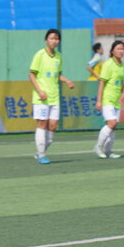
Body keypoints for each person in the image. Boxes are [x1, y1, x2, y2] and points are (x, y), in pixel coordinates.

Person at [29, 28, 76, 164]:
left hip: (54, 97)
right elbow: (31, 74)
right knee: (42, 124)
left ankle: (40, 151)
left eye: (56, 39)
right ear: (46, 40)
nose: (54, 41)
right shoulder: (40, 55)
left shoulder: (59, 56)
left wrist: (67, 81)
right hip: (42, 97)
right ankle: (42, 154)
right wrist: (40, 91)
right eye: (51, 38)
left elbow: (57, 75)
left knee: (53, 126)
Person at [93, 40, 124, 159]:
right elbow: (102, 83)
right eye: (118, 49)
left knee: (113, 125)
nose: (120, 51)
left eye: (122, 49)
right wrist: (99, 100)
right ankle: (98, 146)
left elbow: (122, 83)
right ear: (112, 51)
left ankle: (108, 151)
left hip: (117, 100)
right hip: (107, 99)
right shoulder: (108, 64)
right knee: (112, 123)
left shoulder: (122, 65)